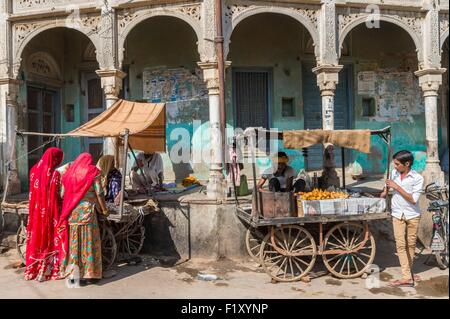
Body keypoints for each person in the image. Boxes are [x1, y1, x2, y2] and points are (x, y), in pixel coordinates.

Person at [57, 153, 109, 284]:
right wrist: (104, 209)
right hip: (88, 213)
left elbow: (62, 194)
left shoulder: (68, 174)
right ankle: (90, 274)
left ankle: (74, 276)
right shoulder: (93, 171)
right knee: (89, 243)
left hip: (72, 213)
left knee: (75, 245)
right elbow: (100, 192)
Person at [380, 150, 424, 287]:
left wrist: (397, 187)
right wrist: (385, 191)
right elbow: (387, 188)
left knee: (411, 245)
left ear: (407, 164)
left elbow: (413, 200)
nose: (395, 166)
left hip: (413, 215)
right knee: (400, 245)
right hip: (397, 214)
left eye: (397, 164)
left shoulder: (418, 178)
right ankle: (407, 277)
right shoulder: (394, 173)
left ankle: (408, 274)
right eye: (394, 163)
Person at [24, 147, 64, 281]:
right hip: (50, 213)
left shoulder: (34, 170)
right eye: (58, 158)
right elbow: (58, 195)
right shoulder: (55, 174)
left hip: (35, 212)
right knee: (51, 237)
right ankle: (46, 269)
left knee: (36, 237)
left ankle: (33, 269)